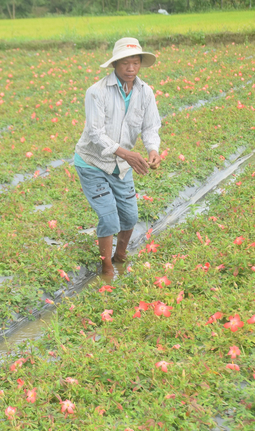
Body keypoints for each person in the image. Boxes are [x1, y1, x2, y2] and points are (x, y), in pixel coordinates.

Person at [74, 37, 162, 279]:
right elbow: (95, 133)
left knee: (130, 216)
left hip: (122, 165)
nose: (131, 69)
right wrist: (126, 153)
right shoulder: (97, 92)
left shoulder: (145, 93)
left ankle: (120, 256)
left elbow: (151, 126)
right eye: (125, 63)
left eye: (135, 63)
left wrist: (153, 150)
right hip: (93, 162)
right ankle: (107, 268)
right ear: (114, 65)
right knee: (109, 217)